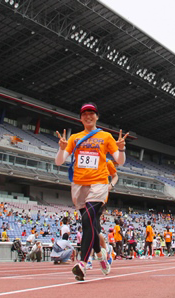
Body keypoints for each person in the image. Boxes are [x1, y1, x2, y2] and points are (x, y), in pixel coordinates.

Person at [55, 102, 128, 281]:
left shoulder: (105, 136)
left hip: (99, 183)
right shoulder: (74, 138)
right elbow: (59, 161)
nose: (88, 116)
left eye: (92, 113)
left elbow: (120, 160)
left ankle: (83, 264)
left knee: (87, 219)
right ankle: (101, 255)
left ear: (97, 116)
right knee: (91, 225)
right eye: (85, 114)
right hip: (79, 185)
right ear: (80, 118)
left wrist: (121, 148)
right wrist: (62, 149)